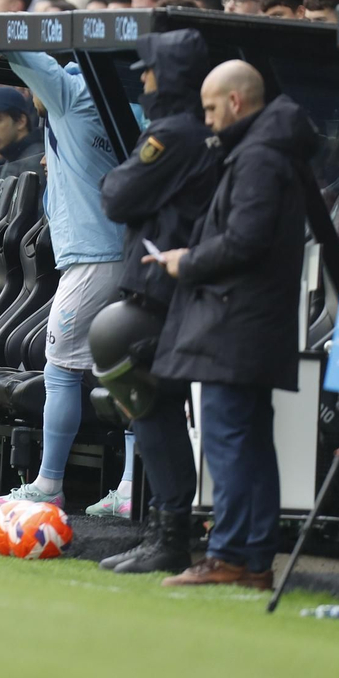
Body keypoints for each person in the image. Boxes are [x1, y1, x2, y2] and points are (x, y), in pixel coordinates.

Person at [147, 61, 318, 589]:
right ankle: (253, 561)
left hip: (235, 321)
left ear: (237, 102)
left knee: (231, 443)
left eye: (212, 108)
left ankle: (230, 556)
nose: (208, 120)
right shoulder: (266, 148)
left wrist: (186, 262)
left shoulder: (260, 156)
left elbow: (246, 240)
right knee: (248, 443)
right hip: (249, 318)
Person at [96, 30, 222, 574]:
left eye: (148, 70)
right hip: (181, 287)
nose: (142, 79)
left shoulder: (173, 133)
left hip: (164, 290)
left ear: (167, 76)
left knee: (146, 397)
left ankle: (171, 532)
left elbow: (117, 195)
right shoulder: (200, 132)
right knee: (153, 406)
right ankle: (166, 529)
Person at [0, 48, 130, 516]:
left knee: (60, 368)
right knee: (130, 370)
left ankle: (49, 485)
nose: (33, 97)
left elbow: (15, 45)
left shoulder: (73, 90)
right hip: (128, 253)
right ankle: (130, 487)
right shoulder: (125, 102)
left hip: (95, 259)